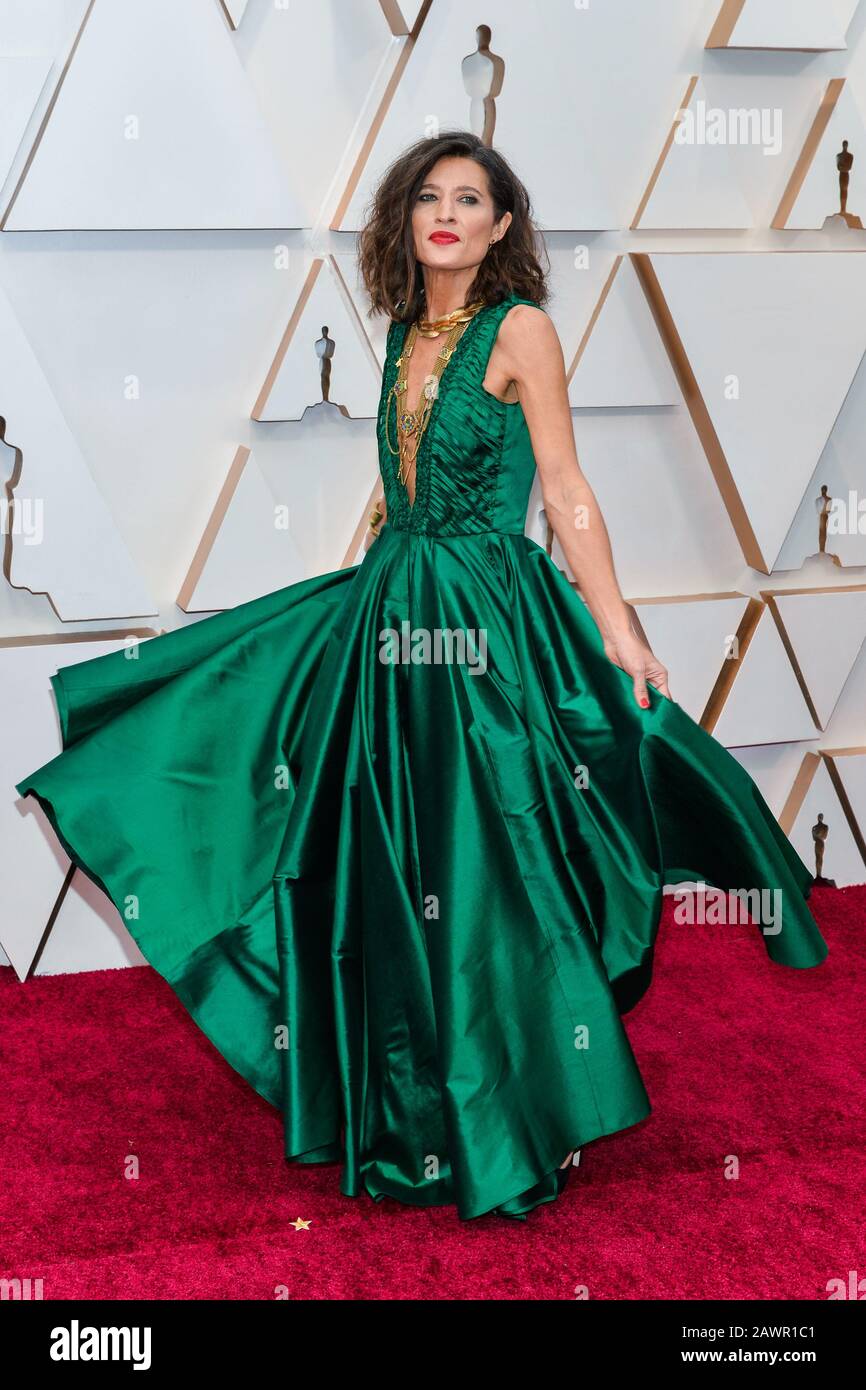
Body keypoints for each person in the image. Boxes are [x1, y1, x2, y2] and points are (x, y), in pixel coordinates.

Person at [15, 130, 828, 1222]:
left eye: (470, 198)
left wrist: (618, 626)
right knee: (386, 857)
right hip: (393, 611)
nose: (446, 213)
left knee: (495, 859)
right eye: (428, 197)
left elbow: (564, 486)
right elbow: (403, 489)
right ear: (407, 219)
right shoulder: (402, 330)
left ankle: (525, 1105)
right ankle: (417, 1105)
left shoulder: (522, 329)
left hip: (487, 624)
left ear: (500, 226)